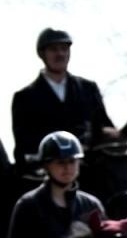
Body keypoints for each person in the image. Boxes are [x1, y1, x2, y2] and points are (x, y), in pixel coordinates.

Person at [11, 29, 113, 166]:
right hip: (48, 169)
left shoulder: (88, 89)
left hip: (89, 167)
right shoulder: (24, 98)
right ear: (42, 54)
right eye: (54, 49)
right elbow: (23, 146)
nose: (60, 54)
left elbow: (105, 128)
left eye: (64, 49)